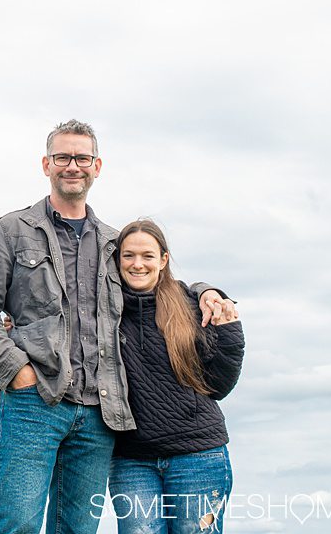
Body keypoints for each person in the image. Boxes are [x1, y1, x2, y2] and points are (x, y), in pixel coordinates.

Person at [0, 119, 236, 534]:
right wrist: (14, 369)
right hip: (34, 402)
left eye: (82, 157)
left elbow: (157, 279)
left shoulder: (112, 242)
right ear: (46, 164)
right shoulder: (11, 230)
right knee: (17, 522)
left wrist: (206, 290)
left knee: (77, 528)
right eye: (63, 157)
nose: (73, 165)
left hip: (97, 413)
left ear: (97, 166)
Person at [108, 220, 244, 533]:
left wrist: (229, 330)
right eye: (128, 256)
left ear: (164, 260)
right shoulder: (104, 311)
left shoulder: (190, 306)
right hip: (132, 460)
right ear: (117, 261)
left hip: (199, 456)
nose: (137, 264)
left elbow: (219, 385)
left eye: (147, 255)